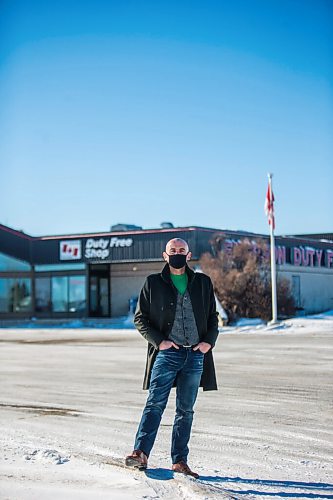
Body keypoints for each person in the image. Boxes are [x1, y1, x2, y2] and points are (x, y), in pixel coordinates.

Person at [125, 238, 219, 478]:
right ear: (165, 255)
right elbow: (140, 319)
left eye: (181, 250)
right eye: (172, 251)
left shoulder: (203, 283)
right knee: (155, 404)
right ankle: (140, 453)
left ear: (189, 256)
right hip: (167, 354)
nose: (177, 254)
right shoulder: (153, 283)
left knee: (185, 410)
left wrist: (209, 342)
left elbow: (212, 317)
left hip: (196, 355)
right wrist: (160, 342)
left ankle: (179, 461)